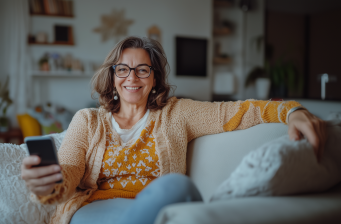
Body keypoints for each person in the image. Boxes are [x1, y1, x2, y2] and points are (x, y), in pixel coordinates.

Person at [21, 37, 327, 224]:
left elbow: (237, 111)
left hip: (160, 209)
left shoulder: (177, 114)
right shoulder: (87, 121)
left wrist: (292, 110)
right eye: (123, 69)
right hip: (95, 212)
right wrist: (47, 182)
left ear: (154, 79)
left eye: (143, 69)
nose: (132, 77)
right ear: (113, 77)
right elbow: (70, 169)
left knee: (178, 189)